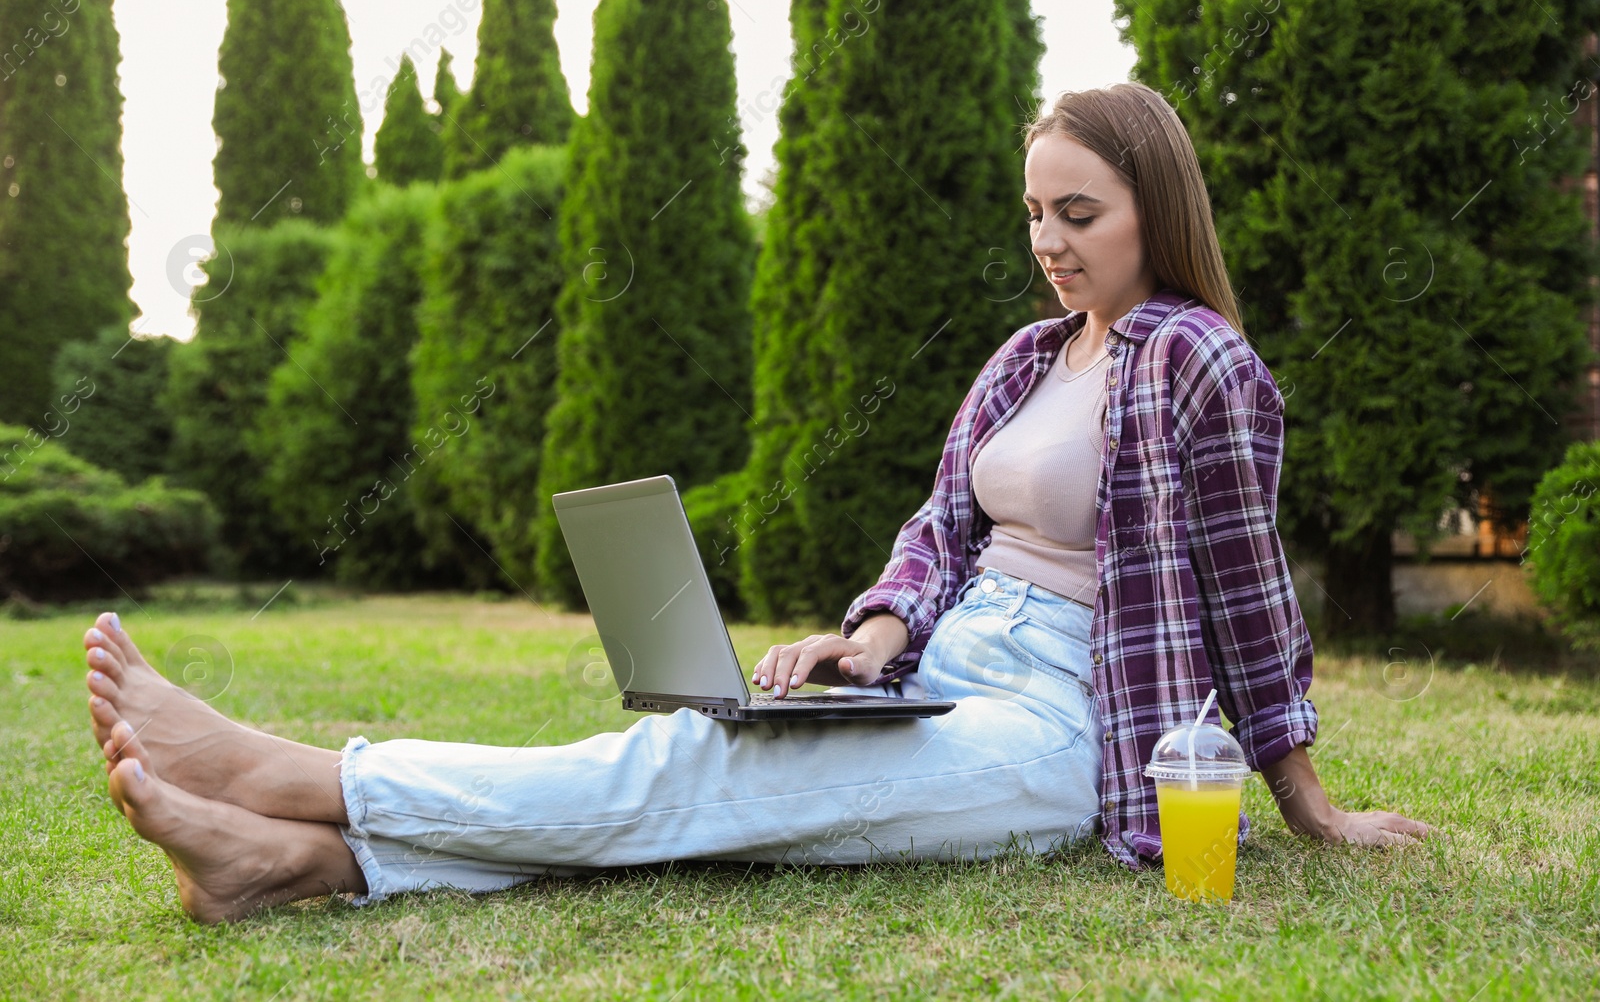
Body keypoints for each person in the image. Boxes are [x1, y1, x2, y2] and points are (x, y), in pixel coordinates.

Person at [82, 82, 1431, 924]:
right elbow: (939, 533)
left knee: (705, 772)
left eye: (1078, 211)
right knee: (727, 773)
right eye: (1033, 214)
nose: (1049, 243)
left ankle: (301, 780)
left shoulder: (1204, 361)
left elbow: (1249, 589)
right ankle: (306, 869)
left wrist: (1306, 802)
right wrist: (875, 644)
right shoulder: (1030, 357)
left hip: (1066, 725)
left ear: (1156, 203)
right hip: (950, 677)